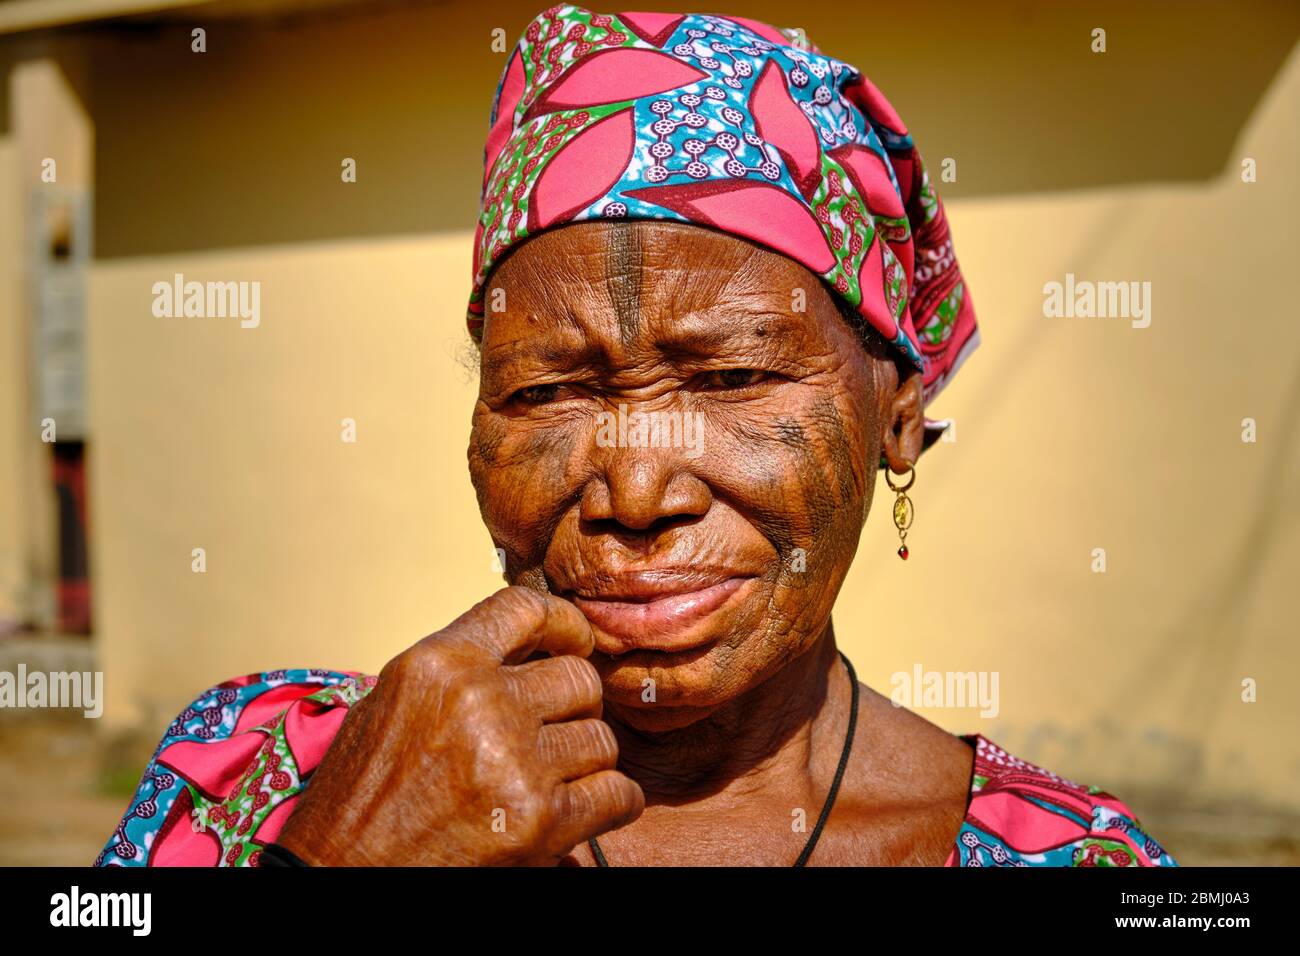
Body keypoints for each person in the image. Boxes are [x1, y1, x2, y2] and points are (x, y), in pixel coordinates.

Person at [95, 5, 1175, 868]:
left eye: (734, 377)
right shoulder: (257, 779)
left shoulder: (1081, 859)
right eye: (550, 394)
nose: (637, 489)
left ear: (897, 418)